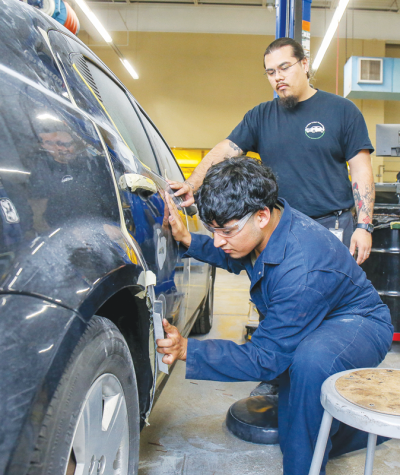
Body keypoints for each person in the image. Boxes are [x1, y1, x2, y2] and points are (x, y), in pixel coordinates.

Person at [158, 157, 393, 475]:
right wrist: (188, 239)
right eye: (212, 230)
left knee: (309, 365)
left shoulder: (301, 268)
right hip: (314, 314)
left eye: (226, 231)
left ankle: (327, 453)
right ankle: (338, 425)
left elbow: (264, 358)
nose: (218, 241)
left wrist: (188, 349)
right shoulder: (264, 225)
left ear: (262, 216)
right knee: (297, 412)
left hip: (360, 322)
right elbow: (236, 253)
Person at [169, 37, 375, 265]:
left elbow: (361, 170)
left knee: (332, 294)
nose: (278, 77)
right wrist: (191, 184)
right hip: (280, 226)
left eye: (284, 67)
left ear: (304, 65)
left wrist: (364, 226)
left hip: (333, 226)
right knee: (282, 292)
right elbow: (226, 149)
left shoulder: (342, 110)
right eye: (270, 72)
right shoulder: (260, 116)